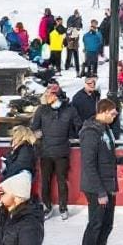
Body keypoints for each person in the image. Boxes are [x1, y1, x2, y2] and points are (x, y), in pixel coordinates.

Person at [78, 96, 123, 245]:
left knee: (107, 224)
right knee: (96, 224)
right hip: (96, 187)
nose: (114, 117)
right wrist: (100, 191)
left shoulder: (105, 129)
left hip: (108, 184)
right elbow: (89, 164)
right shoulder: (91, 132)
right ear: (103, 112)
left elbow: (105, 157)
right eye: (112, 114)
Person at [30, 81, 79, 220]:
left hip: (62, 152)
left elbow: (78, 126)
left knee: (62, 181)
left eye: (52, 94)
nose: (49, 96)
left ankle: (63, 207)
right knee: (45, 181)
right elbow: (34, 127)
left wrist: (72, 134)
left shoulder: (69, 109)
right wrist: (38, 135)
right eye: (48, 94)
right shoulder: (42, 109)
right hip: (45, 152)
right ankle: (47, 206)